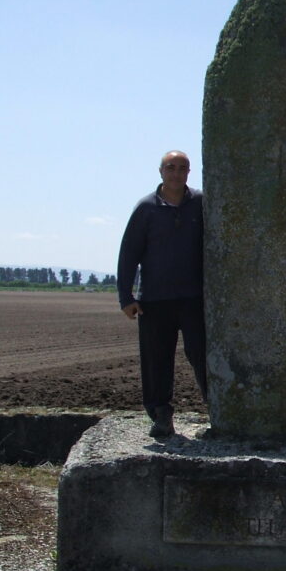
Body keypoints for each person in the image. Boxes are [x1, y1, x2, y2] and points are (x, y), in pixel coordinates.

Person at [117, 150, 207, 438]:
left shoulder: (201, 204)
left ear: (189, 173)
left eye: (182, 168)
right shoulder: (146, 208)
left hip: (194, 298)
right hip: (154, 300)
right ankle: (160, 415)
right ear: (161, 172)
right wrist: (126, 296)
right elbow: (129, 253)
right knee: (157, 360)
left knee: (203, 355)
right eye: (171, 167)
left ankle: (218, 411)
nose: (176, 173)